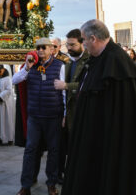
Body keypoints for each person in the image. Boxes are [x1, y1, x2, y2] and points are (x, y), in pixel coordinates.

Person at [63, 19, 136, 195]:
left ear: (93, 38)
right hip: (96, 141)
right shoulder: (100, 59)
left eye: (84, 40)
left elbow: (119, 111)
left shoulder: (116, 61)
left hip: (109, 143)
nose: (84, 44)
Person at [12, 37, 65, 195]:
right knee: (30, 150)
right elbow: (15, 80)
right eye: (38, 48)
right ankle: (25, 185)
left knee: (54, 151)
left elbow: (64, 92)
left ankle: (51, 183)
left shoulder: (59, 65)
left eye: (44, 48)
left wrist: (65, 115)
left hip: (53, 115)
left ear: (51, 49)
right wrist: (27, 68)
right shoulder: (30, 65)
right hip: (34, 116)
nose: (40, 51)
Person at [55, 28, 89, 179]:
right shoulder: (68, 62)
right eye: (67, 45)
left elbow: (87, 84)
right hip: (69, 115)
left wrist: (67, 86)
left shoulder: (89, 61)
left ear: (82, 43)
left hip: (83, 113)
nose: (69, 48)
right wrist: (63, 114)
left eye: (73, 45)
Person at [0, 65, 15, 145]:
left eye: (0, 71)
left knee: (7, 120)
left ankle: (9, 138)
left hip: (5, 102)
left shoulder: (8, 78)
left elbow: (9, 90)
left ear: (3, 70)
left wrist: (0, 96)